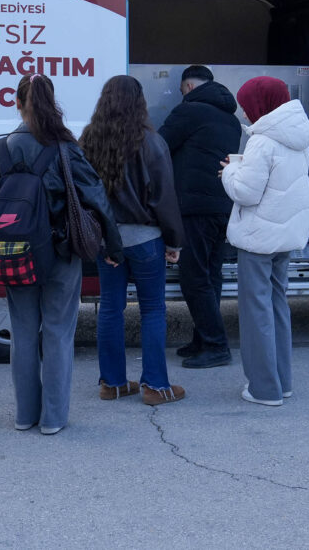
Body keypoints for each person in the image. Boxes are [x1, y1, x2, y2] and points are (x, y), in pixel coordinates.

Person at [0, 73, 122, 434]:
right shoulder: (66, 148)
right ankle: (54, 419)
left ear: (17, 103)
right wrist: (112, 246)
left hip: (16, 254)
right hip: (60, 254)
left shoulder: (1, 150)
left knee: (23, 333)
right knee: (58, 333)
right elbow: (96, 198)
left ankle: (24, 415)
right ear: (52, 103)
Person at [80, 75, 187, 405]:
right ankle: (155, 386)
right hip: (145, 239)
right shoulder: (151, 142)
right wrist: (174, 242)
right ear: (139, 102)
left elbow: (84, 195)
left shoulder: (88, 140)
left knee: (110, 308)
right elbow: (164, 197)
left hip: (106, 241)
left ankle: (111, 384)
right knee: (152, 309)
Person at [220, 76, 309, 406]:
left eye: (247, 106)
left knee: (255, 311)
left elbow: (246, 192)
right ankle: (282, 382)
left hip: (258, 238)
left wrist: (229, 172)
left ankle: (263, 389)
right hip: (285, 236)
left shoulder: (262, 141)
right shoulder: (299, 136)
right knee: (277, 307)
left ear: (261, 104)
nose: (245, 113)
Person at [157, 65, 241, 369]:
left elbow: (159, 147)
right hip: (222, 206)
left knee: (194, 278)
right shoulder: (231, 119)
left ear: (189, 88)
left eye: (181, 92)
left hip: (194, 207)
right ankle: (203, 339)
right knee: (210, 275)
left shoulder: (188, 111)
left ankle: (217, 346)